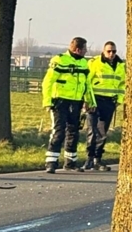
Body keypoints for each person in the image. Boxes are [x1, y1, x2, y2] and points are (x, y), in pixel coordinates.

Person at [42, 37, 95, 173]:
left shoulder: (84, 63)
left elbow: (87, 85)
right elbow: (47, 82)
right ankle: (51, 162)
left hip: (76, 102)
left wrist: (90, 102)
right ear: (78, 49)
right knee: (59, 131)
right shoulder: (59, 60)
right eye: (84, 49)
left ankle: (70, 162)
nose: (86, 51)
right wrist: (47, 102)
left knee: (73, 131)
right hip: (60, 101)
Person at [85, 41, 126, 171]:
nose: (111, 54)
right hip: (95, 100)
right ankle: (89, 159)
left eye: (114, 51)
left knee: (102, 132)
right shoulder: (94, 63)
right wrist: (87, 101)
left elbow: (123, 85)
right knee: (92, 130)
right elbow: (87, 83)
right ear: (103, 51)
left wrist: (118, 100)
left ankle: (98, 159)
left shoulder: (121, 66)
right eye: (109, 51)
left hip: (109, 102)